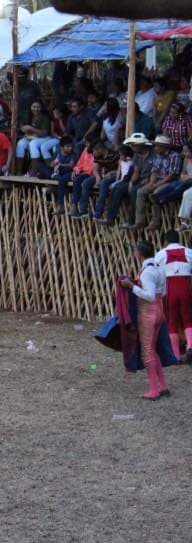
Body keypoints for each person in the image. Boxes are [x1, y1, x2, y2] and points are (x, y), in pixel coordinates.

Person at [119, 241, 170, 400]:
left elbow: (148, 295)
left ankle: (154, 390)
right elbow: (163, 292)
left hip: (148, 312)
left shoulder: (147, 272)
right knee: (153, 350)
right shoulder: (159, 267)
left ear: (140, 254)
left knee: (147, 351)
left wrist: (131, 286)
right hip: (159, 309)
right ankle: (163, 386)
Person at [131, 135, 182, 231]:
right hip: (158, 180)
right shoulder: (158, 156)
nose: (155, 148)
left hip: (170, 181)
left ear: (164, 147)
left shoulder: (175, 156)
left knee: (155, 194)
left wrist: (157, 185)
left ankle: (155, 222)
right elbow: (154, 170)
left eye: (158, 146)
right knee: (140, 191)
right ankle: (139, 221)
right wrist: (152, 182)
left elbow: (172, 175)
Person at [154, 230, 192, 360]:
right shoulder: (189, 252)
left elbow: (156, 274)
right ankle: (190, 346)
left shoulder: (160, 254)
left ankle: (175, 355)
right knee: (188, 319)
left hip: (169, 289)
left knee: (172, 322)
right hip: (186, 288)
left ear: (165, 242)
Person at [108, 133, 154, 228]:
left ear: (141, 145)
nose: (132, 147)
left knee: (134, 191)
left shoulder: (153, 155)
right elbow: (136, 171)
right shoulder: (137, 156)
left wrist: (146, 180)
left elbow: (156, 171)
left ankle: (131, 221)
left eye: (134, 145)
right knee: (118, 188)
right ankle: (110, 218)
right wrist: (131, 182)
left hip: (149, 180)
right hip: (139, 179)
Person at [15, 99, 51, 176]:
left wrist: (31, 128)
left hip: (44, 138)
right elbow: (23, 128)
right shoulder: (29, 116)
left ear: (41, 108)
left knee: (33, 144)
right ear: (30, 107)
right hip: (31, 137)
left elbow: (44, 133)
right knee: (20, 143)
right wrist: (26, 130)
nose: (36, 109)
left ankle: (33, 171)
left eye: (38, 107)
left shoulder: (44, 117)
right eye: (34, 107)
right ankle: (19, 171)